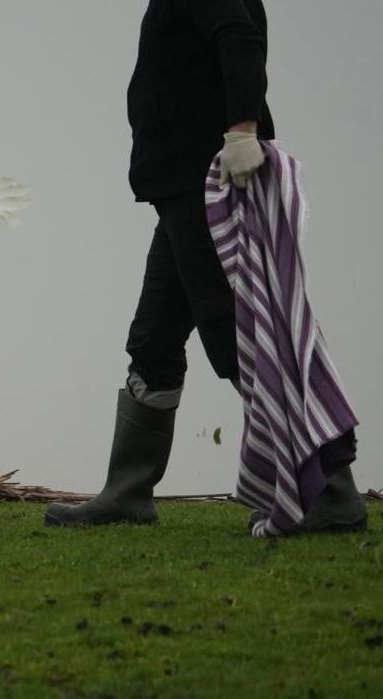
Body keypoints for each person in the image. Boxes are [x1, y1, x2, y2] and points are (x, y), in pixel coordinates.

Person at [44, 0, 366, 532]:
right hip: (179, 191)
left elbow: (239, 37)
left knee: (234, 336)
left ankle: (332, 490)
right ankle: (128, 493)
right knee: (154, 339)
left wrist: (240, 131)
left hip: (205, 187)